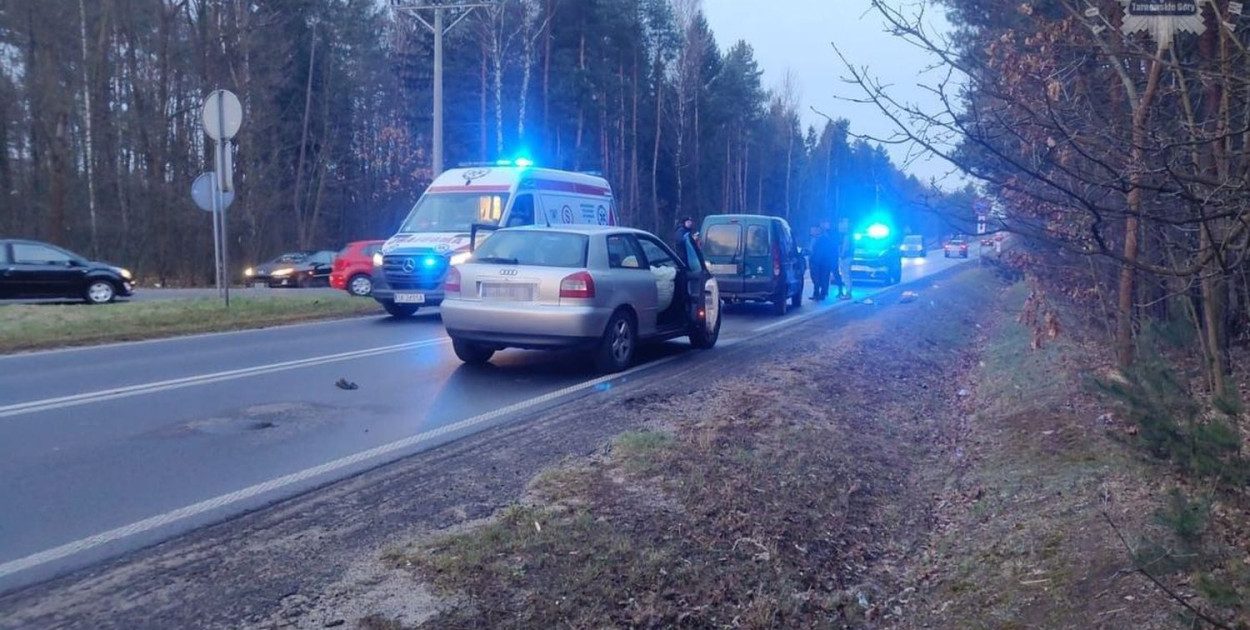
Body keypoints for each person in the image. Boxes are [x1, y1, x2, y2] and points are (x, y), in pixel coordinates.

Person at [808, 222, 835, 300]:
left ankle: (822, 293)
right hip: (815, 261)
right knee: (815, 278)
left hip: (822, 262)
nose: (812, 231)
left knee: (822, 278)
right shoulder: (814, 239)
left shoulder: (824, 239)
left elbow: (826, 251)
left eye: (814, 230)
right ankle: (817, 293)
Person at [836, 217, 854, 300]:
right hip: (847, 257)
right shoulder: (847, 235)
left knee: (846, 274)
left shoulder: (847, 236)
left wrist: (841, 254)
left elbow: (845, 248)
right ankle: (848, 291)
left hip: (846, 257)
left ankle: (848, 292)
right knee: (846, 274)